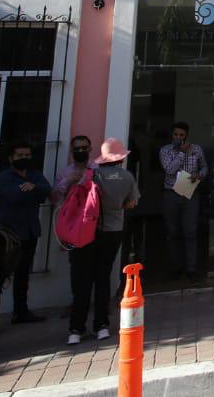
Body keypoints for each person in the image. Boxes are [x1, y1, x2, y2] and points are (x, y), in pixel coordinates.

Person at [68, 137, 139, 345]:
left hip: (87, 232)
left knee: (82, 280)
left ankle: (76, 329)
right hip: (113, 231)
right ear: (120, 158)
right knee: (103, 277)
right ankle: (102, 326)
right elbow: (131, 203)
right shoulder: (127, 177)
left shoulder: (91, 175)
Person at [0, 142, 51, 332]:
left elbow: (46, 190)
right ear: (10, 158)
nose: (24, 158)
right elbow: (16, 196)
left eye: (27, 154)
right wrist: (34, 191)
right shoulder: (4, 178)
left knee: (23, 275)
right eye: (20, 155)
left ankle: (21, 311)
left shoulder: (34, 175)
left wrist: (33, 188)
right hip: (7, 235)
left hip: (29, 232)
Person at [159, 121, 207, 281]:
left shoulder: (197, 149)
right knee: (173, 232)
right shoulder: (165, 150)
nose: (179, 137)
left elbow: (204, 167)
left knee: (190, 231)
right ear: (171, 135)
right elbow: (170, 170)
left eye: (182, 135)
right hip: (171, 194)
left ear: (186, 135)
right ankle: (176, 267)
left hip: (190, 193)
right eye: (176, 134)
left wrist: (200, 174)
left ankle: (191, 268)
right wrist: (182, 153)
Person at [52, 134, 94, 206]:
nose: (80, 151)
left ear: (90, 149)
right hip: (70, 214)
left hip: (92, 214)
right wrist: (67, 181)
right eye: (77, 149)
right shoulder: (64, 173)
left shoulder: (98, 170)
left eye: (84, 148)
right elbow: (53, 199)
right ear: (71, 150)